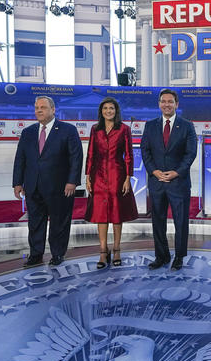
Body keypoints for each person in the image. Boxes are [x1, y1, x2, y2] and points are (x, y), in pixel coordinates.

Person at [12, 96, 83, 267]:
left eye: (43, 107)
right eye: (36, 107)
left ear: (53, 110)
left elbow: (76, 157)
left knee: (59, 222)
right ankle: (36, 254)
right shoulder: (28, 132)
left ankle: (57, 254)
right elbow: (20, 158)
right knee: (35, 222)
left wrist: (72, 181)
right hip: (33, 186)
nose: (39, 111)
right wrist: (17, 182)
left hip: (60, 187)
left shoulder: (67, 130)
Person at [140, 89, 197, 271]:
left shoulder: (187, 126)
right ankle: (161, 256)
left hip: (178, 182)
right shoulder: (150, 126)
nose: (166, 104)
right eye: (163, 101)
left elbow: (190, 154)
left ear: (176, 104)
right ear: (159, 104)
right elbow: (145, 152)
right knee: (158, 221)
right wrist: (153, 171)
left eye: (170, 101)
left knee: (180, 221)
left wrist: (176, 172)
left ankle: (179, 256)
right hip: (157, 182)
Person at [84, 97, 138, 268]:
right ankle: (102, 251)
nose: (109, 111)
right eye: (105, 108)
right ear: (101, 111)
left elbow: (129, 155)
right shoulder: (95, 129)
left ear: (116, 111)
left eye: (112, 108)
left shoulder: (124, 129)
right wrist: (87, 176)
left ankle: (116, 249)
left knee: (116, 214)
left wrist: (128, 177)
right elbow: (91, 153)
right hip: (98, 175)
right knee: (100, 214)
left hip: (117, 175)